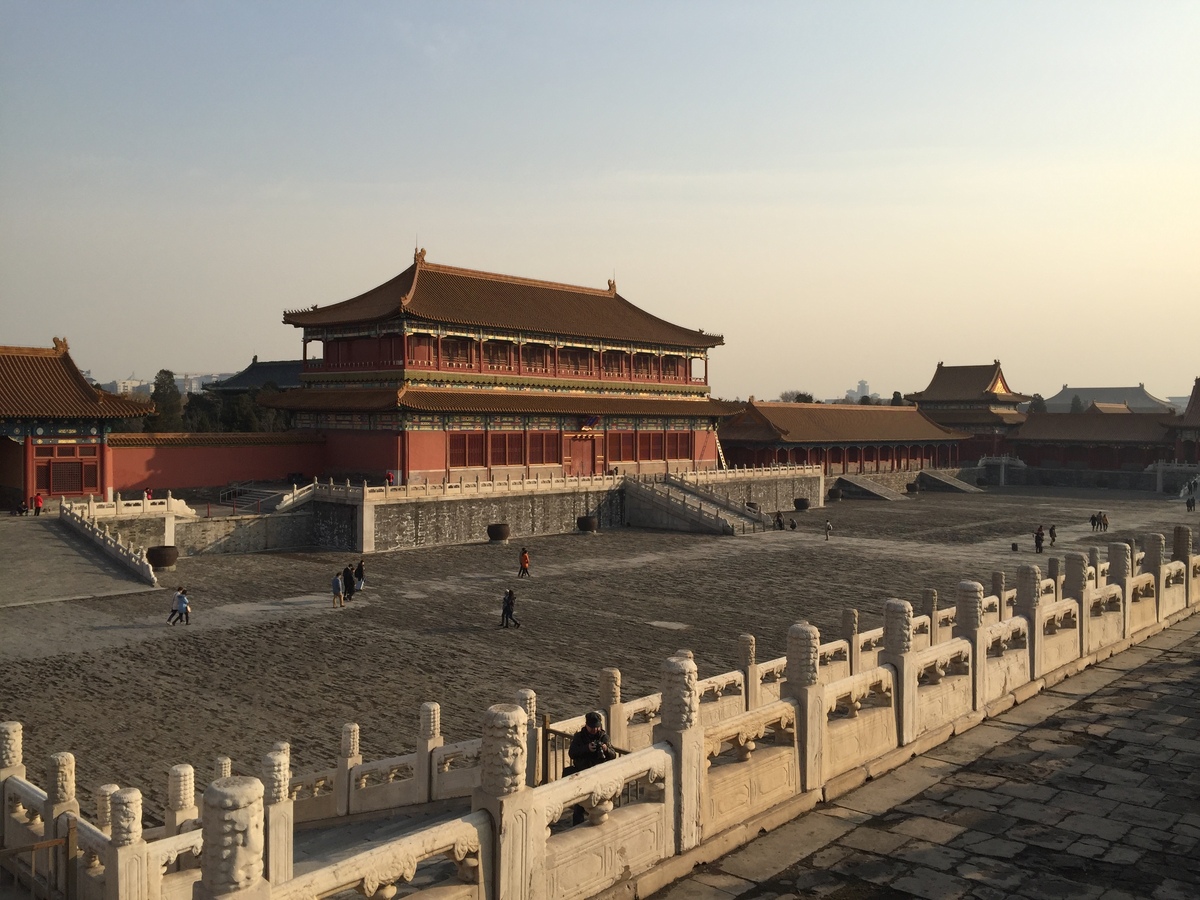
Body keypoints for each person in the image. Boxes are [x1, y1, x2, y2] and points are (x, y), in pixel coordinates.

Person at [566, 711, 617, 823]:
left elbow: (613, 755)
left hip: (598, 775)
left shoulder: (604, 737)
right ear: (586, 725)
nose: (595, 730)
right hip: (582, 774)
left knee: (600, 804)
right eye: (592, 727)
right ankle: (577, 826)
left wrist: (605, 749)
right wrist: (586, 748)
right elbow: (572, 753)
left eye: (597, 727)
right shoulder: (579, 737)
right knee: (579, 806)